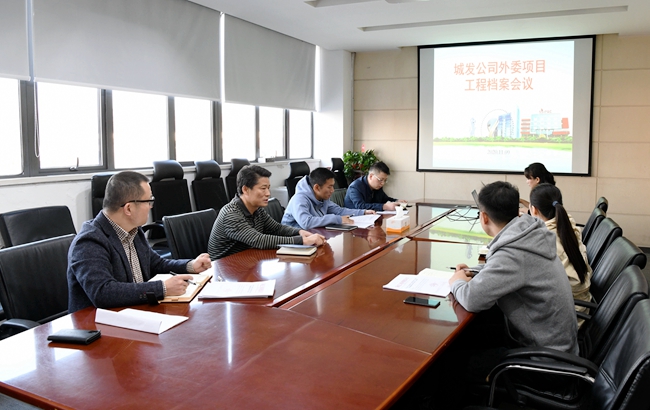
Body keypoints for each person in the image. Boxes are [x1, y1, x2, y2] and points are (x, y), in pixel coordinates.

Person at [449, 181, 578, 355]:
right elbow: (511, 270)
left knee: (457, 358)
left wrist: (456, 281)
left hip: (543, 358)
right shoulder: (528, 235)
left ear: (484, 217)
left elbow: (471, 298)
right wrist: (475, 271)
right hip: (554, 343)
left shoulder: (514, 253)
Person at [67, 171, 212, 313]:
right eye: (148, 201)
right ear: (129, 208)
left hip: (134, 311)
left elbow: (156, 264)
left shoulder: (134, 230)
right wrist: (162, 288)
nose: (151, 206)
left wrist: (190, 265)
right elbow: (103, 292)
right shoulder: (89, 241)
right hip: (96, 322)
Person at [208, 165, 325, 259]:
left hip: (248, 260)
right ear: (245, 189)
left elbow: (277, 229)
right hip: (225, 269)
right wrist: (302, 241)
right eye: (263, 188)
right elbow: (259, 240)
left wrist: (299, 232)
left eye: (268, 188)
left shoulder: (257, 209)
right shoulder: (230, 213)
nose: (268, 193)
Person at [530, 183, 592, 326]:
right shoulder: (567, 224)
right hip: (579, 305)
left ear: (533, 210)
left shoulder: (544, 241)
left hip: (565, 318)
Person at [282, 167, 375, 230]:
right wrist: (337, 219)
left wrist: (363, 212)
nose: (332, 190)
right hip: (293, 241)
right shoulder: (299, 199)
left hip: (313, 235)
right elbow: (306, 223)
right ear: (317, 187)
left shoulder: (323, 197)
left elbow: (339, 211)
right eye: (329, 187)